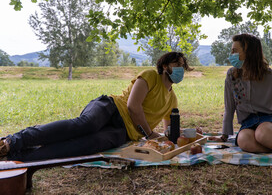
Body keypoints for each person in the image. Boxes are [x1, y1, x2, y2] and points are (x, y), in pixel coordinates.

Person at [0, 52, 192, 161]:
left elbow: (169, 131)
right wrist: (149, 133)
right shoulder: (150, 76)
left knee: (88, 144)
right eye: (177, 64)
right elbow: (133, 107)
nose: (180, 69)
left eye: (183, 66)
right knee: (85, 125)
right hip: (110, 108)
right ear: (165, 66)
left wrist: (187, 133)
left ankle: (22, 157)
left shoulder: (172, 99)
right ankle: (13, 141)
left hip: (124, 132)